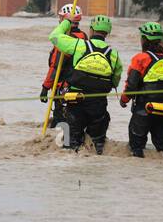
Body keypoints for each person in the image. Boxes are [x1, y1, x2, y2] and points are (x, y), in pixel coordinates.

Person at [48, 12, 121, 154]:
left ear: (91, 30)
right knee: (96, 145)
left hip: (75, 101)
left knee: (70, 144)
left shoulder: (79, 46)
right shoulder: (114, 55)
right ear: (108, 33)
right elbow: (115, 81)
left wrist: (67, 22)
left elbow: (54, 37)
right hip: (98, 104)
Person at [119, 22, 163, 157]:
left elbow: (131, 85)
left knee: (136, 149)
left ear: (144, 40)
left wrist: (123, 100)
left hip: (143, 110)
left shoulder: (140, 59)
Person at [40, 4, 86, 128]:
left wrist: (45, 88)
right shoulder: (84, 37)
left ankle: (61, 143)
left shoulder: (65, 41)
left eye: (61, 19)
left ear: (65, 20)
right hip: (81, 86)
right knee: (75, 118)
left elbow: (55, 67)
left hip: (64, 86)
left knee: (60, 118)